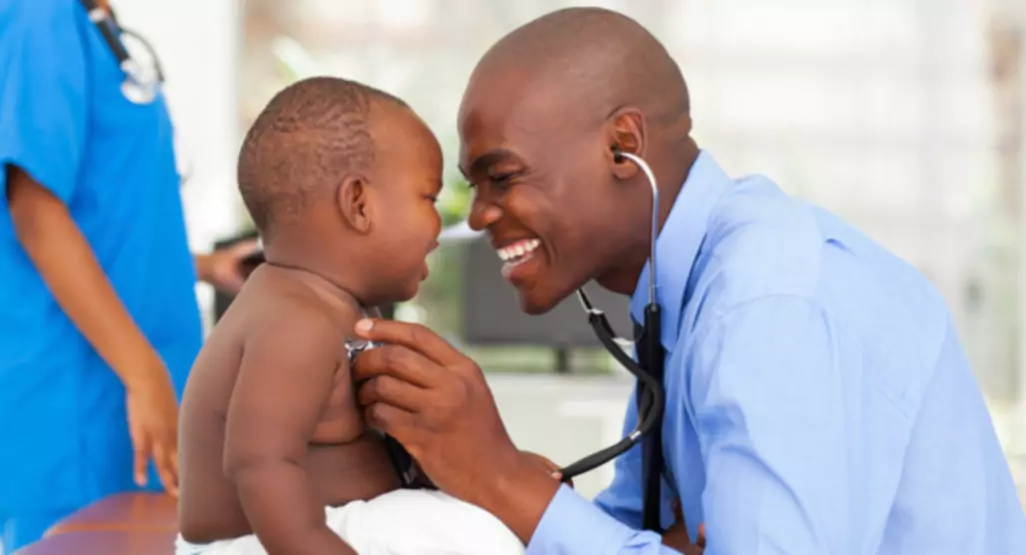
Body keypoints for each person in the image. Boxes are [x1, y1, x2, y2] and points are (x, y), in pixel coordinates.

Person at [351, 7, 1026, 555]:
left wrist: (500, 476)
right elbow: (637, 531)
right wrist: (491, 477)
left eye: (502, 176)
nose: (481, 215)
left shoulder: (765, 307)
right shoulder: (679, 299)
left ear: (623, 146)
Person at [175, 76, 554, 555]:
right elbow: (259, 465)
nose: (441, 226)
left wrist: (501, 478)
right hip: (271, 541)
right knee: (479, 541)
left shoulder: (338, 310)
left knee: (495, 525)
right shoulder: (293, 323)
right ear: (359, 204)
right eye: (429, 199)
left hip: (332, 526)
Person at [0, 0, 256, 551]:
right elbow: (35, 211)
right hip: (78, 399)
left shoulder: (92, 24)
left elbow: (104, 216)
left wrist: (205, 268)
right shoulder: (41, 14)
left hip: (125, 389)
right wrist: (144, 374)